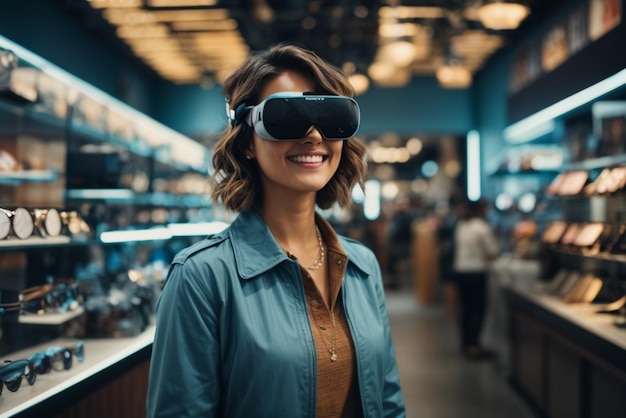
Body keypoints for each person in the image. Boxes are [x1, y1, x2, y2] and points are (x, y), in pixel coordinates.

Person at [146, 43, 406, 418]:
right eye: (288, 115)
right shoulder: (202, 278)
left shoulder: (362, 266)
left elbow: (389, 402)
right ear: (247, 140)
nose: (315, 135)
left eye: (331, 117)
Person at [452, 198, 499, 360]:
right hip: (476, 272)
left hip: (461, 271)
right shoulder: (482, 228)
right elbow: (492, 252)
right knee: (478, 309)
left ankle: (466, 343)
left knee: (466, 309)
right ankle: (474, 346)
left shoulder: (461, 226)